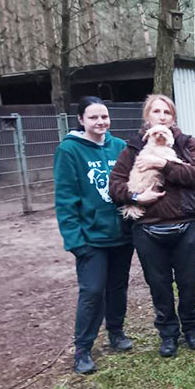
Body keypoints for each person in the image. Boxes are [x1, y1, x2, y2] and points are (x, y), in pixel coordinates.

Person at [110, 94, 195, 358]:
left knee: (190, 282)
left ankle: (192, 329)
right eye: (156, 112)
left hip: (185, 224)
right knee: (158, 284)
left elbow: (194, 175)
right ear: (147, 118)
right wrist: (137, 197)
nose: (162, 116)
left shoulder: (187, 144)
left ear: (173, 117)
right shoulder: (131, 149)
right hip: (148, 229)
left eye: (167, 112)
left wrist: (160, 163)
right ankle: (168, 334)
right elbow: (115, 186)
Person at [54, 97, 134, 374]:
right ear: (81, 120)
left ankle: (116, 332)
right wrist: (75, 240)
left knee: (117, 286)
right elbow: (65, 199)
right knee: (92, 291)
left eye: (104, 116)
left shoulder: (119, 146)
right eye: (94, 117)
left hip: (121, 235)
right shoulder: (69, 151)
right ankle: (83, 348)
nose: (101, 122)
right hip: (91, 239)